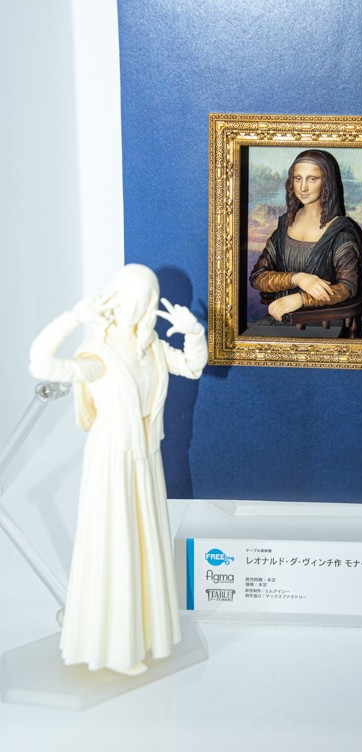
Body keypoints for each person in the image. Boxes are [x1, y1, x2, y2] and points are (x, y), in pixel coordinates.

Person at [29, 264, 207, 675]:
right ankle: (113, 649)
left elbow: (193, 366)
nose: (133, 307)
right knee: (114, 542)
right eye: (126, 298)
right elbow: (41, 363)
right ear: (112, 298)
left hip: (146, 455)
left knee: (144, 543)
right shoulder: (98, 354)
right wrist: (73, 317)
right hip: (111, 455)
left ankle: (142, 637)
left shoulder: (152, 348)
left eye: (143, 300)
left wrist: (193, 331)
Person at [249, 149, 362, 332]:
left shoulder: (341, 233)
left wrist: (302, 299)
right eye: (298, 178)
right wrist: (298, 278)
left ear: (326, 182)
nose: (303, 187)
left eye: (312, 179)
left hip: (323, 322)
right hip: (282, 317)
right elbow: (258, 277)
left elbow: (347, 287)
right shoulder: (284, 226)